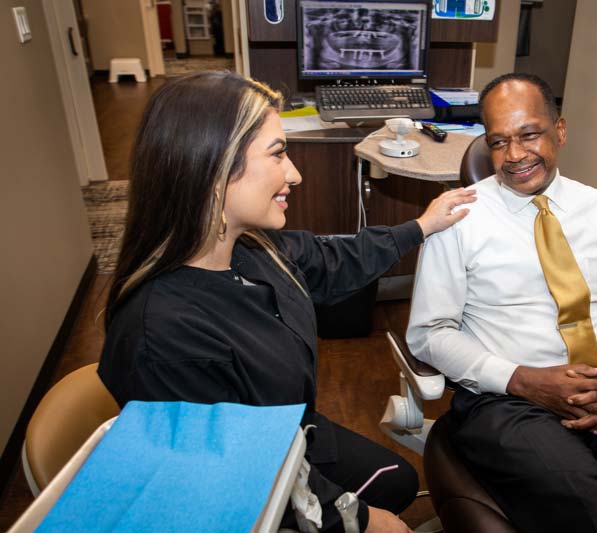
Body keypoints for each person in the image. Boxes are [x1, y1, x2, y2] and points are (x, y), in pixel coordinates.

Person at [98, 71, 476, 533]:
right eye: (278, 154)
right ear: (214, 168)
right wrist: (356, 521)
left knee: (397, 483)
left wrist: (420, 227)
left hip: (288, 434)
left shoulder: (255, 250)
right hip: (245, 490)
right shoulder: (164, 336)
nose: (294, 174)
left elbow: (335, 258)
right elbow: (234, 481)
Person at [406, 73, 597, 532]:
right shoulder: (458, 219)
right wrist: (525, 381)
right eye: (499, 141)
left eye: (529, 134)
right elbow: (430, 333)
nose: (515, 155)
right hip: (506, 403)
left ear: (559, 131)